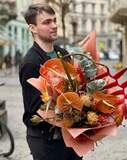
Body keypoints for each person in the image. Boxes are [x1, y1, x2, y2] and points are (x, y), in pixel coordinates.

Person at [19, 3, 82, 160]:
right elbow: (35, 110)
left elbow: (76, 89)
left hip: (70, 137)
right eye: (47, 22)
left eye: (54, 20)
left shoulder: (63, 53)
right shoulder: (31, 63)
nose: (54, 26)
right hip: (47, 142)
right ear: (32, 28)